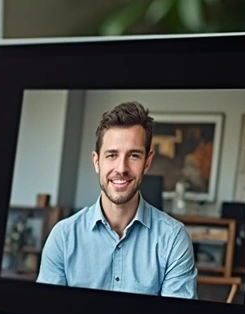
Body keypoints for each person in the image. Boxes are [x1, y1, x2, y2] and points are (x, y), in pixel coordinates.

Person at [37, 101, 198, 298]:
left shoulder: (173, 240)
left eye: (134, 156)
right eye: (112, 155)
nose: (121, 168)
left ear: (147, 162)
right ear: (97, 162)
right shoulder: (63, 238)